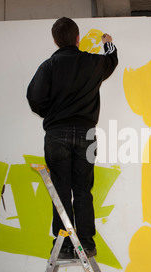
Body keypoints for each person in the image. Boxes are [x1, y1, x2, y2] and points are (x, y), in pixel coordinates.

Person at [27, 17, 118, 259]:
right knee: (82, 190)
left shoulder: (48, 67)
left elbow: (34, 99)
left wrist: (53, 114)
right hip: (86, 134)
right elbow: (111, 60)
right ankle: (86, 244)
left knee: (61, 189)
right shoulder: (91, 62)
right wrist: (108, 43)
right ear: (78, 38)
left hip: (57, 135)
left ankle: (65, 245)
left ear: (56, 41)